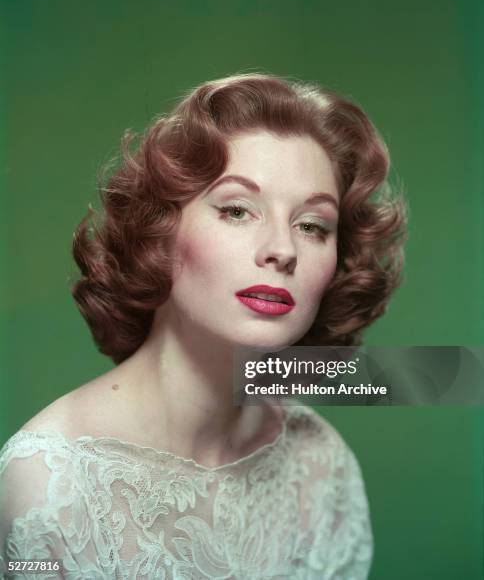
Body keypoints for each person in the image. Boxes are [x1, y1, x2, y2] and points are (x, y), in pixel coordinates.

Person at [0, 73, 406, 579]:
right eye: (237, 210)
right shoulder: (46, 482)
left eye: (312, 225)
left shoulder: (319, 465)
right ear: (160, 233)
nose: (282, 249)